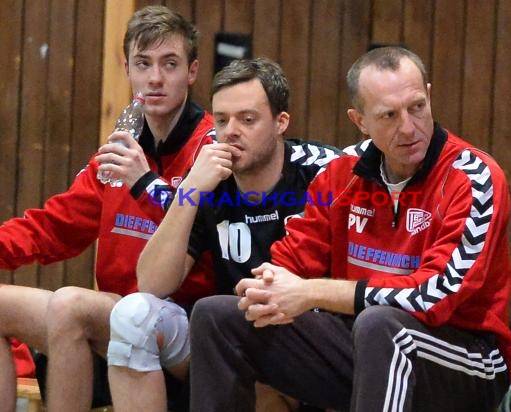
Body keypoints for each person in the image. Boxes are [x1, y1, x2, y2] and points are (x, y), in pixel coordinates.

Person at [188, 46, 511, 412]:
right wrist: (264, 288)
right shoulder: (341, 174)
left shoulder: (473, 178)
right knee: (217, 316)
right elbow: (291, 260)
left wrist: (312, 292)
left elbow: (433, 297)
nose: (408, 127)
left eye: (417, 107)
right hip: (366, 344)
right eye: (389, 116)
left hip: (468, 360)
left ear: (429, 95)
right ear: (360, 120)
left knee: (382, 326)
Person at [0, 5, 215, 411]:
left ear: (192, 71)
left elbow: (201, 237)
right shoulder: (121, 151)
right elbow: (52, 228)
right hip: (112, 318)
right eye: (143, 64)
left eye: (169, 64)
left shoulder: (211, 149)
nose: (155, 78)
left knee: (70, 304)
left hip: (181, 325)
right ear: (128, 70)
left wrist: (143, 184)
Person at [106, 57, 341, 411]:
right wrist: (190, 191)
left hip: (308, 341)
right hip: (230, 335)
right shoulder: (210, 178)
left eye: (247, 120)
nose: (230, 131)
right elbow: (152, 283)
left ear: (281, 123)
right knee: (133, 315)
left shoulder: (324, 173)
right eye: (221, 120)